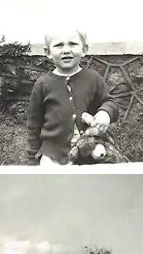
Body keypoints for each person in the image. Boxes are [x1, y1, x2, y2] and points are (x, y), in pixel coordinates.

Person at [25, 28, 120, 167]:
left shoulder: (93, 79)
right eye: (58, 45)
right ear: (48, 52)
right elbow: (34, 122)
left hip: (89, 152)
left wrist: (105, 112)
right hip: (54, 155)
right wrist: (32, 156)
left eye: (73, 44)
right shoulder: (42, 84)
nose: (66, 50)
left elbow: (110, 102)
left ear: (84, 49)